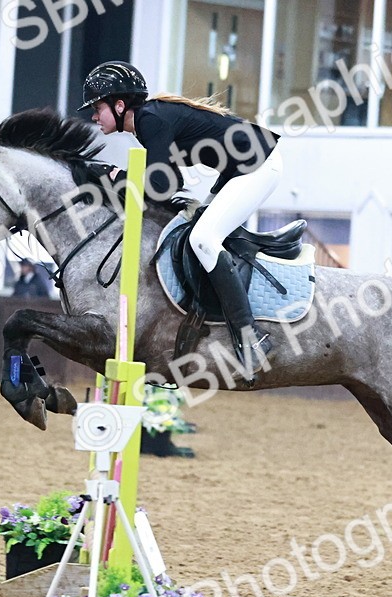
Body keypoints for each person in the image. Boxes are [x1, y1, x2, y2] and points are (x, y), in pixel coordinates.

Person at [80, 60, 280, 368]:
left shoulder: (150, 120)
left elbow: (161, 185)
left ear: (119, 105)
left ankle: (250, 336)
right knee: (195, 228)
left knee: (203, 238)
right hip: (237, 169)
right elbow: (172, 182)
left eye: (97, 107)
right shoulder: (149, 120)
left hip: (260, 165)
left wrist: (116, 175)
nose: (94, 116)